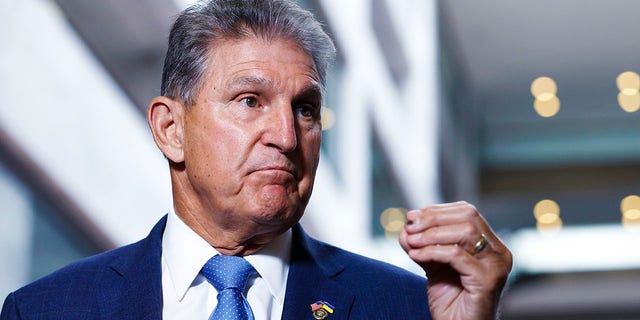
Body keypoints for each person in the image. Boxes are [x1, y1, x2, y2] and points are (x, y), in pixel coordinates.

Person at [1, 0, 512, 319]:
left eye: (306, 109)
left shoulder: (409, 309)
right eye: (250, 101)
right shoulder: (47, 310)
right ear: (170, 129)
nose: (287, 136)